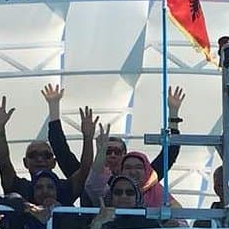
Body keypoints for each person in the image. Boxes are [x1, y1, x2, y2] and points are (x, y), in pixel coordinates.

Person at [44, 84, 185, 207]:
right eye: (107, 150)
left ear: (125, 155)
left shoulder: (144, 177)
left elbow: (170, 153)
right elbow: (61, 151)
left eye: (117, 152)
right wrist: (53, 108)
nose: (111, 155)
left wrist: (173, 113)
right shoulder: (86, 175)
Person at [0, 94, 95, 208]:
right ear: (25, 162)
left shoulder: (64, 188)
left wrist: (88, 138)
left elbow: (85, 170)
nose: (40, 159)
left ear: (54, 162)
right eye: (33, 155)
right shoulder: (19, 187)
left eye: (46, 155)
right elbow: (3, 161)